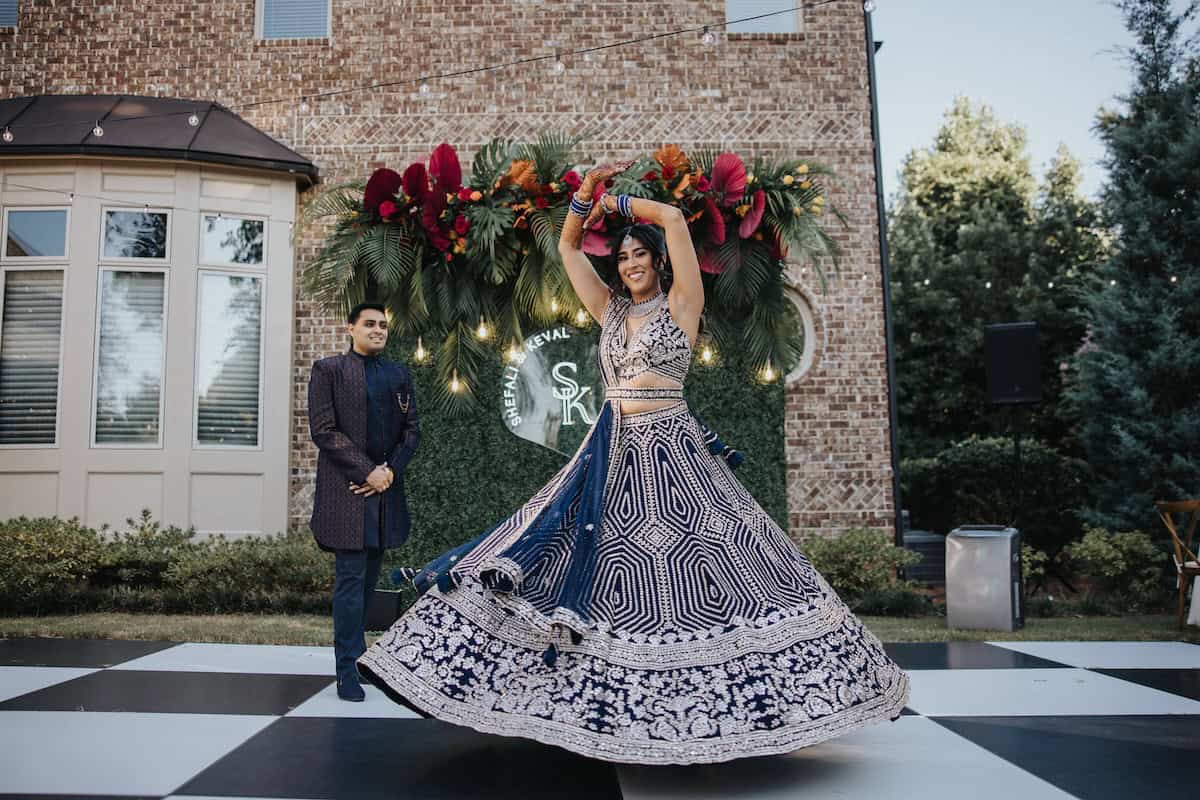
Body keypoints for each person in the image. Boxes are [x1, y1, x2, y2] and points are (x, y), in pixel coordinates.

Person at [359, 165, 908, 762]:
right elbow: (568, 247)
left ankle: (719, 704)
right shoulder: (611, 312)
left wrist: (618, 203)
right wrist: (581, 201)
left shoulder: (682, 303)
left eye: (637, 254)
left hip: (674, 450)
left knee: (710, 570)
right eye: (621, 257)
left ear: (658, 261)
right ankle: (583, 704)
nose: (628, 264)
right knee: (580, 563)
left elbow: (672, 218)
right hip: (613, 452)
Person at [308, 302, 420, 701]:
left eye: (383, 325)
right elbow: (324, 430)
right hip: (347, 493)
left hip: (384, 496)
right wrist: (366, 472)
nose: (377, 330)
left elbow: (412, 432)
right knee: (351, 583)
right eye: (369, 324)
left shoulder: (398, 374)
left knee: (369, 583)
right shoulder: (329, 371)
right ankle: (346, 671)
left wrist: (388, 472)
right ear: (350, 328)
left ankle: (360, 660)